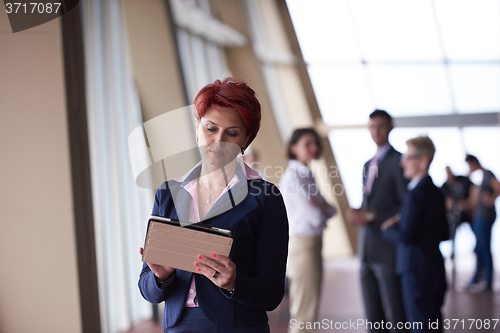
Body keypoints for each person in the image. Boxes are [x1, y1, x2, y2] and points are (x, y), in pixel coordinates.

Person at [138, 78, 289, 332]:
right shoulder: (169, 193)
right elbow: (148, 289)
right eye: (211, 128)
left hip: (237, 326)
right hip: (179, 327)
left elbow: (272, 293)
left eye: (232, 133)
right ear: (197, 127)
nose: (219, 141)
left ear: (246, 139)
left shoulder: (264, 196)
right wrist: (160, 277)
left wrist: (234, 283)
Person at [345, 110, 408, 333]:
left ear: (390, 128)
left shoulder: (400, 161)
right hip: (367, 247)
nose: (376, 131)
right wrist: (359, 213)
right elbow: (372, 203)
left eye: (380, 126)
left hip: (387, 248)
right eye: (372, 127)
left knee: (395, 311)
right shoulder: (367, 165)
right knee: (373, 314)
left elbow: (405, 206)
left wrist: (370, 215)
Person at [381, 136, 448, 333]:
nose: (403, 163)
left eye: (407, 157)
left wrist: (387, 230)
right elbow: (444, 231)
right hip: (433, 264)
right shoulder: (435, 191)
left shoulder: (416, 193)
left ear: (423, 160)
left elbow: (406, 236)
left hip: (416, 268)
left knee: (420, 325)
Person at [279, 128, 336, 333]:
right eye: (307, 144)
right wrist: (320, 207)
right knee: (304, 310)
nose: (313, 148)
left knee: (307, 307)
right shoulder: (294, 177)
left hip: (310, 243)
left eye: (315, 143)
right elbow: (315, 214)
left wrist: (319, 206)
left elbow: (330, 210)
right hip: (302, 244)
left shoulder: (305, 173)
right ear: (293, 147)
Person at [465, 154, 500, 291]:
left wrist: (491, 199)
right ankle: (478, 279)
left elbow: (498, 187)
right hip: (478, 216)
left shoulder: (487, 174)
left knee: (484, 247)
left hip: (486, 216)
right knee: (480, 248)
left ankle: (487, 280)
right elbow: (472, 201)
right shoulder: (476, 178)